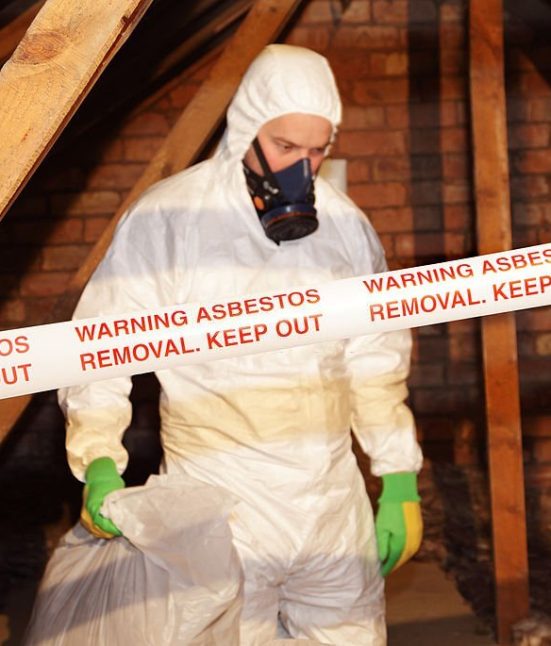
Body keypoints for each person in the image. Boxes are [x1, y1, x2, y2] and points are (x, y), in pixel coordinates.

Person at [58, 44, 423, 645]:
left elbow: (374, 359)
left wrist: (398, 475)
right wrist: (99, 459)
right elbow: (102, 345)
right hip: (220, 506)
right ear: (247, 130)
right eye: (285, 148)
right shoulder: (169, 219)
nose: (301, 171)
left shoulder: (345, 226)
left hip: (328, 501)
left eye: (317, 151)